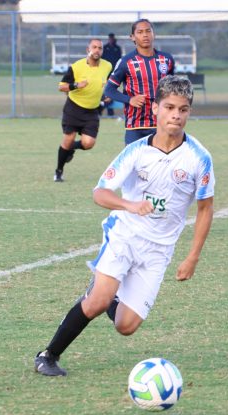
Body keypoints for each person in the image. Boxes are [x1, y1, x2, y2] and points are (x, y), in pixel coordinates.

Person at [34, 75, 215, 376]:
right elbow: (99, 193)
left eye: (183, 109)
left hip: (159, 249)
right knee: (95, 303)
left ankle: (110, 294)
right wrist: (130, 205)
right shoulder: (136, 151)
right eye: (169, 107)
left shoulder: (199, 158)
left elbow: (205, 208)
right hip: (125, 235)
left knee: (126, 326)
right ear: (156, 108)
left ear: (189, 113)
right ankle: (48, 355)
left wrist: (192, 256)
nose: (176, 115)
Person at [103, 19, 174, 146]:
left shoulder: (166, 59)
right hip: (135, 125)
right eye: (140, 32)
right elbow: (109, 90)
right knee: (133, 164)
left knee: (161, 163)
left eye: (148, 31)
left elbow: (172, 87)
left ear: (154, 34)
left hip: (161, 122)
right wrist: (130, 99)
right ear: (132, 37)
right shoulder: (126, 61)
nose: (145, 35)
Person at [54, 38, 113, 182]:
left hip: (92, 110)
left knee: (88, 144)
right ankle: (59, 171)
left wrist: (107, 95)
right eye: (94, 47)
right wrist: (76, 85)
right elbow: (61, 86)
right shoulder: (77, 67)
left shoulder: (107, 66)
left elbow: (108, 84)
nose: (97, 50)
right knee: (68, 138)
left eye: (100, 48)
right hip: (73, 108)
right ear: (88, 50)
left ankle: (69, 148)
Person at [101, 33, 123, 117]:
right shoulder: (105, 48)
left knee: (112, 90)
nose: (111, 40)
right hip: (106, 73)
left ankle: (111, 110)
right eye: (110, 38)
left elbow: (119, 60)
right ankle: (104, 108)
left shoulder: (117, 48)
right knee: (106, 91)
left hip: (115, 73)